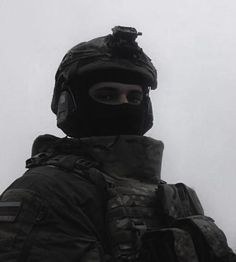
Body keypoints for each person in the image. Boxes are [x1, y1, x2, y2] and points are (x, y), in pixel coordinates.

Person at [0, 26, 235, 262]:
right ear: (70, 104)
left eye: (134, 97)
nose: (124, 106)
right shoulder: (45, 192)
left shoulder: (173, 196)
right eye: (107, 95)